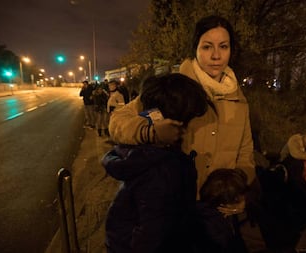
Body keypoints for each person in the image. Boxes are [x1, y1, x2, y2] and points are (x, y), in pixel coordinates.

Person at [108, 15, 255, 193]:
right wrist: (151, 133)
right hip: (174, 206)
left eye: (223, 46)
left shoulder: (239, 100)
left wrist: (237, 187)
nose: (216, 56)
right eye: (207, 47)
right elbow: (117, 122)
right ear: (195, 49)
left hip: (217, 209)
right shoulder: (172, 88)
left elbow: (246, 155)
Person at [101, 73, 211, 253]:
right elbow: (151, 235)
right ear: (175, 122)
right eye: (192, 119)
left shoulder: (143, 156)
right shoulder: (164, 170)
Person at [192, 168, 249, 253]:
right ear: (229, 202)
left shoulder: (199, 211)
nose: (245, 200)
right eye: (242, 196)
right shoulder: (217, 229)